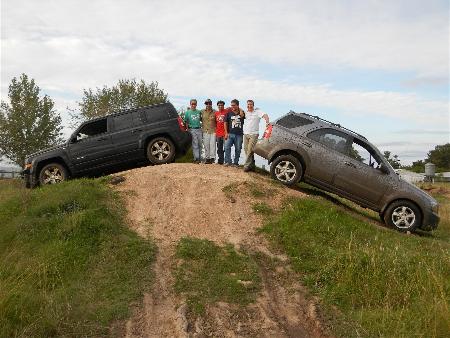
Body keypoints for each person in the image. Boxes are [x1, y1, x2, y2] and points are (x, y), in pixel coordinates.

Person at [243, 99, 269, 172]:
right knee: (246, 150)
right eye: (248, 104)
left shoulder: (257, 112)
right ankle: (252, 166)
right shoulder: (246, 112)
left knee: (250, 150)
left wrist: (267, 122)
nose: (249, 106)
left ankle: (246, 166)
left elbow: (265, 115)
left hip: (254, 134)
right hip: (246, 134)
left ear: (253, 105)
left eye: (251, 104)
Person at [224, 99, 245, 166]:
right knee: (227, 147)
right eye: (231, 105)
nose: (232, 106)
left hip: (239, 134)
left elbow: (242, 116)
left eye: (234, 105)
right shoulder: (228, 112)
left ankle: (235, 163)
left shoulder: (242, 113)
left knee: (238, 149)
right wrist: (226, 133)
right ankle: (228, 161)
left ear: (237, 105)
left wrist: (240, 110)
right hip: (230, 133)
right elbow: (225, 123)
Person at [183, 99, 203, 163]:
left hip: (199, 129)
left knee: (200, 144)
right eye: (192, 104)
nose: (193, 105)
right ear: (190, 104)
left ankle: (200, 159)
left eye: (195, 104)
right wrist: (187, 129)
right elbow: (185, 121)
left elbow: (202, 120)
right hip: (192, 129)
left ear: (196, 104)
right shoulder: (187, 112)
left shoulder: (199, 112)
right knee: (195, 144)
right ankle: (196, 158)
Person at [201, 99, 216, 164]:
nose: (208, 105)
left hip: (213, 131)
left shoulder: (215, 112)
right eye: (207, 103)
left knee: (212, 145)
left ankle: (212, 158)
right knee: (206, 145)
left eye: (209, 103)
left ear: (211, 104)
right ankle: (207, 158)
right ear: (205, 104)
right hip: (205, 130)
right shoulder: (202, 111)